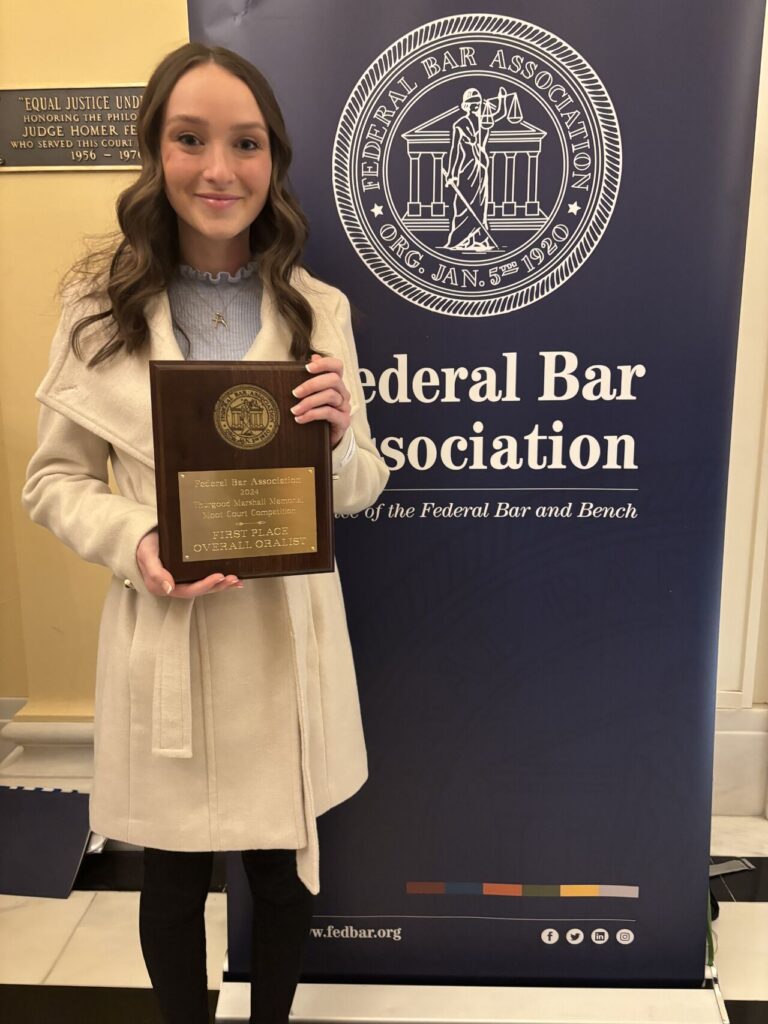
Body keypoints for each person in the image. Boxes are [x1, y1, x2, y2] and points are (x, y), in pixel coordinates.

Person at [22, 42, 388, 1024]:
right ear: (155, 148)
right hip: (168, 632)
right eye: (190, 139)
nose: (218, 169)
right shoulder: (97, 307)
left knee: (282, 870)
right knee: (173, 878)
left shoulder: (319, 309)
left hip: (285, 637)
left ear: (274, 160)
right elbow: (53, 482)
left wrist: (343, 433)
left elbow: (356, 489)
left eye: (246, 143)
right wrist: (138, 542)